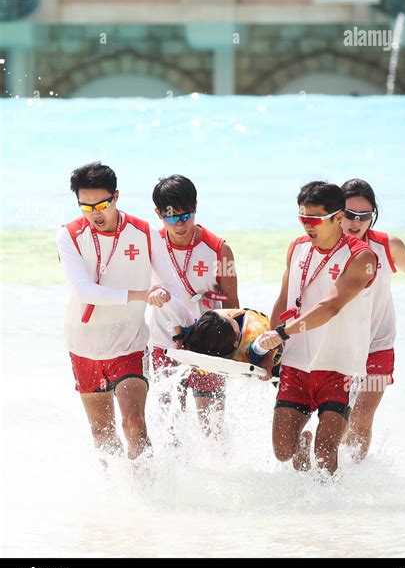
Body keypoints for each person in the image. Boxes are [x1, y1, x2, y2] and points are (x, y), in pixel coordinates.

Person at [57, 162, 176, 461]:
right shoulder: (68, 235)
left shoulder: (145, 232)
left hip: (129, 342)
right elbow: (84, 291)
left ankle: (148, 494)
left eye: (102, 204)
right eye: (86, 207)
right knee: (102, 433)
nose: (96, 213)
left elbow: (170, 281)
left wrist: (165, 296)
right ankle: (119, 501)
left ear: (117, 196)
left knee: (134, 423)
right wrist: (142, 295)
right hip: (84, 344)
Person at [258, 181, 378, 475]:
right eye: (302, 218)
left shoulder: (362, 257)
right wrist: (267, 353)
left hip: (338, 366)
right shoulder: (297, 248)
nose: (307, 226)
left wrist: (283, 333)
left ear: (339, 218)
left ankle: (332, 520)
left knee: (326, 455)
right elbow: (283, 299)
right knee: (283, 452)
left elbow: (331, 306)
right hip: (297, 364)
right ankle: (305, 508)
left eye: (314, 220)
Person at [340, 178, 405, 459]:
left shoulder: (386, 245)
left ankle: (356, 475)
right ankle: (331, 474)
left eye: (364, 216)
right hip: (337, 348)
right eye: (349, 214)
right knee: (337, 417)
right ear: (337, 212)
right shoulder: (325, 248)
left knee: (362, 415)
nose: (356, 222)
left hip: (378, 345)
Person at [148, 175, 239, 436]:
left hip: (209, 347)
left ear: (196, 206)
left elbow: (233, 307)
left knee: (213, 428)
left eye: (186, 215)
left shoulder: (220, 250)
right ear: (158, 213)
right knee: (170, 426)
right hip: (164, 344)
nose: (180, 224)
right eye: (171, 217)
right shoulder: (150, 245)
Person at [176, 308, 282, 380]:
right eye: (229, 317)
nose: (230, 314)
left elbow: (186, 329)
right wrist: (268, 351)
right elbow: (259, 347)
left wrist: (180, 336)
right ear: (236, 341)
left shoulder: (204, 333)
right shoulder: (251, 350)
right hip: (277, 362)